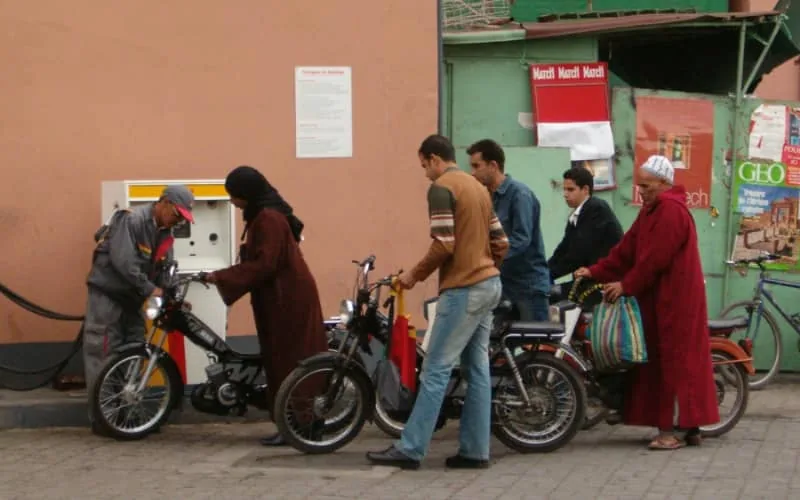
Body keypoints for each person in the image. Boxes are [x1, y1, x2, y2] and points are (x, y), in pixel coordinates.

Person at [366, 134, 508, 470]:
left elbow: (443, 244)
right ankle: (475, 452)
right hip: (490, 284)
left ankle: (411, 448)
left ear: (433, 158)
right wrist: (485, 267)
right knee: (478, 370)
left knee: (434, 369)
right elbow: (501, 241)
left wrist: (412, 276)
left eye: (424, 166)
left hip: (464, 290)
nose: (425, 174)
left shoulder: (442, 188)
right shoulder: (478, 188)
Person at [575, 155, 719, 450]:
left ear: (665, 183)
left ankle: (674, 431)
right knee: (664, 362)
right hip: (659, 301)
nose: (642, 190)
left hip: (676, 302)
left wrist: (625, 284)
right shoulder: (652, 210)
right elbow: (626, 251)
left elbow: (654, 259)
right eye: (640, 185)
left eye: (647, 185)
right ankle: (688, 429)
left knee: (675, 363)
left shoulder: (671, 211)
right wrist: (596, 270)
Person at [204, 165, 328, 447]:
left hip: (288, 301)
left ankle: (303, 426)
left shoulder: (269, 219)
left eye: (234, 196)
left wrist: (222, 276)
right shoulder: (263, 214)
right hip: (281, 299)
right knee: (279, 362)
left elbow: (264, 265)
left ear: (246, 194)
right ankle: (292, 425)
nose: (233, 202)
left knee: (291, 362)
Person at [84, 184, 195, 434]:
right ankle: (101, 419)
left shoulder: (165, 233)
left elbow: (167, 269)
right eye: (176, 213)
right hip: (108, 296)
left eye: (182, 218)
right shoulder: (131, 220)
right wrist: (150, 289)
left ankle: (123, 414)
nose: (177, 220)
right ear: (164, 202)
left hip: (133, 300)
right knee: (103, 353)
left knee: (135, 349)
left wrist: (173, 295)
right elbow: (124, 262)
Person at [467, 138, 550, 321]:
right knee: (499, 345)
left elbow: (521, 239)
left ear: (493, 165)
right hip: (503, 286)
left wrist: (488, 259)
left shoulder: (519, 194)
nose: (472, 173)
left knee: (535, 346)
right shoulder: (488, 197)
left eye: (476, 166)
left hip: (528, 288)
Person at [548, 167, 623, 300]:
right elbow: (563, 249)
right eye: (564, 189)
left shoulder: (596, 209)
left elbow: (578, 254)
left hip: (603, 283)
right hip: (587, 280)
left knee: (549, 296)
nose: (565, 194)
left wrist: (547, 274)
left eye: (570, 189)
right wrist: (544, 271)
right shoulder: (578, 214)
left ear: (585, 190)